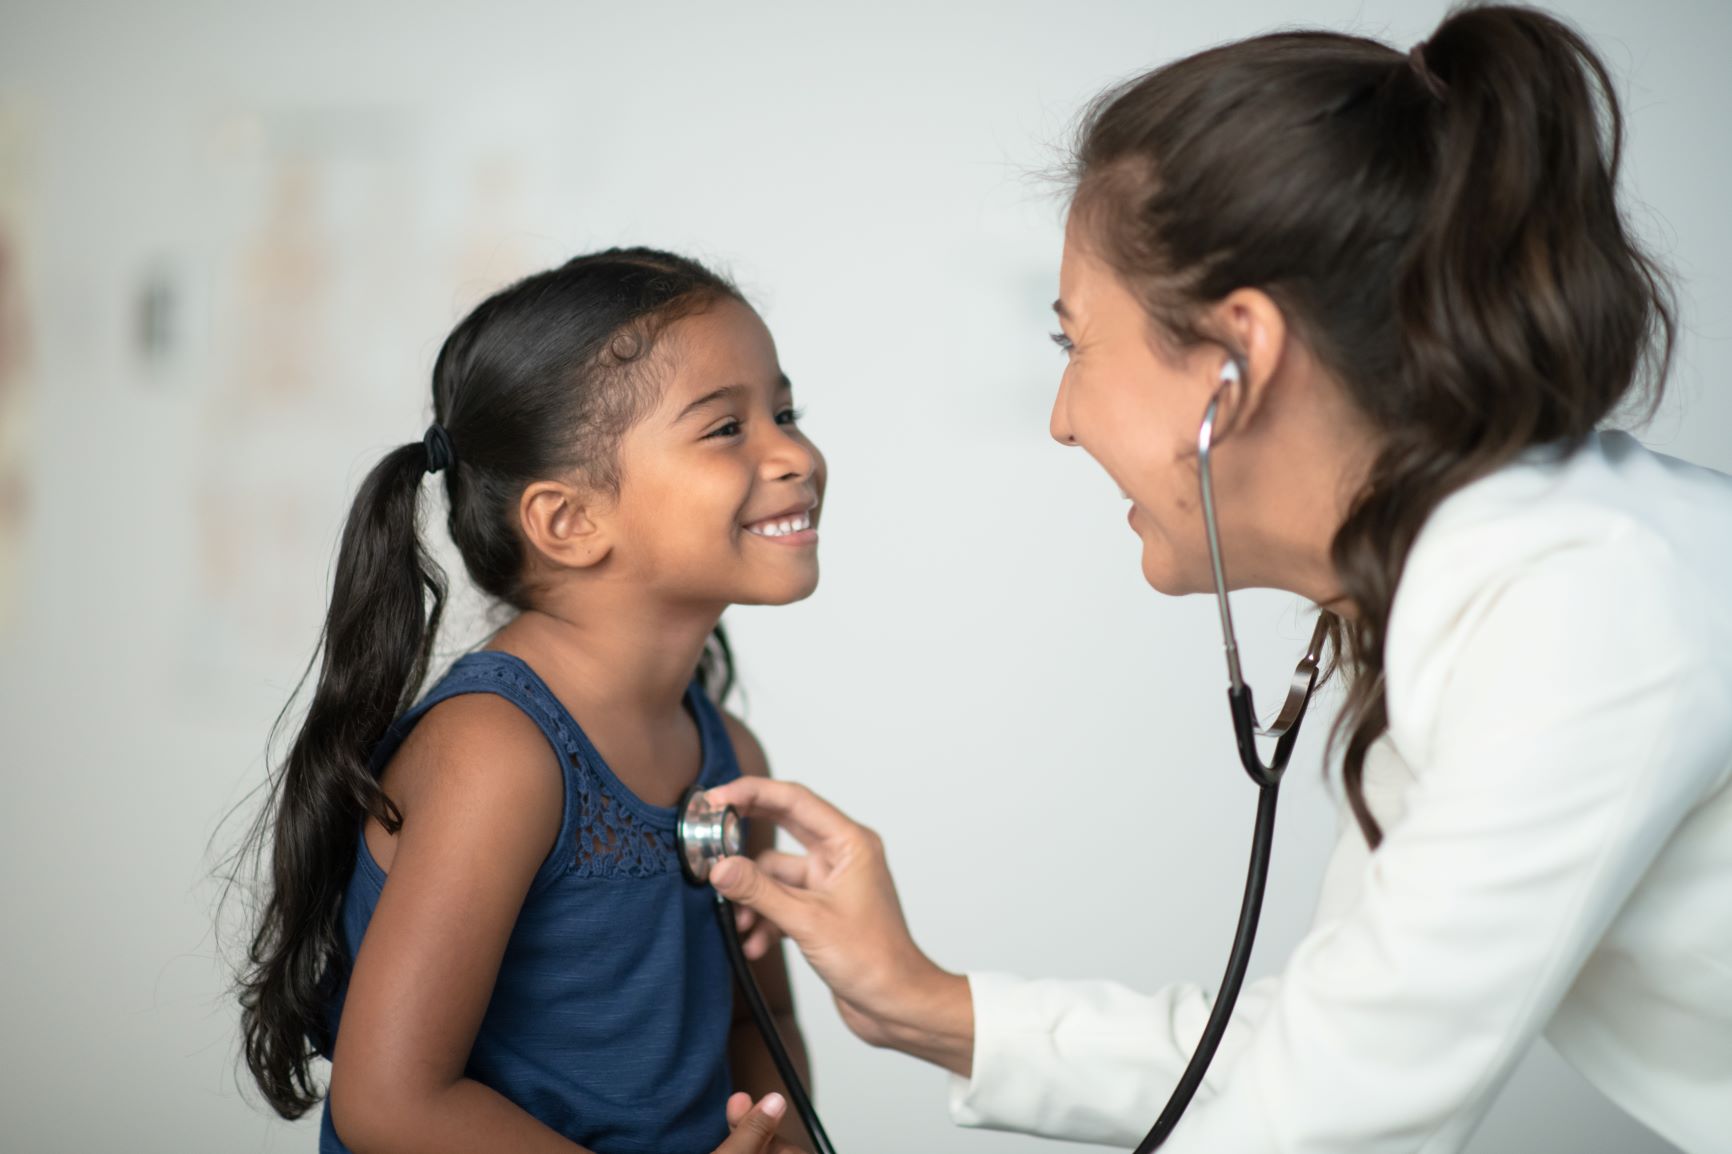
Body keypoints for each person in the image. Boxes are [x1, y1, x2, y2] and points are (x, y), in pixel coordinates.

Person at [705, 7, 1732, 1152]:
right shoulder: (1488, 582)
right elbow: (1326, 1045)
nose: (1059, 420)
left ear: (1235, 360)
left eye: (1071, 343)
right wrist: (923, 999)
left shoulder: (1583, 607)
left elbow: (1323, 1118)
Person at [235, 248, 825, 1153]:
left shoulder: (732, 760)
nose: (797, 453)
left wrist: (776, 1134)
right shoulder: (497, 755)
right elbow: (391, 1102)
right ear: (568, 521)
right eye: (726, 429)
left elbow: (759, 1023)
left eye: (785, 413)